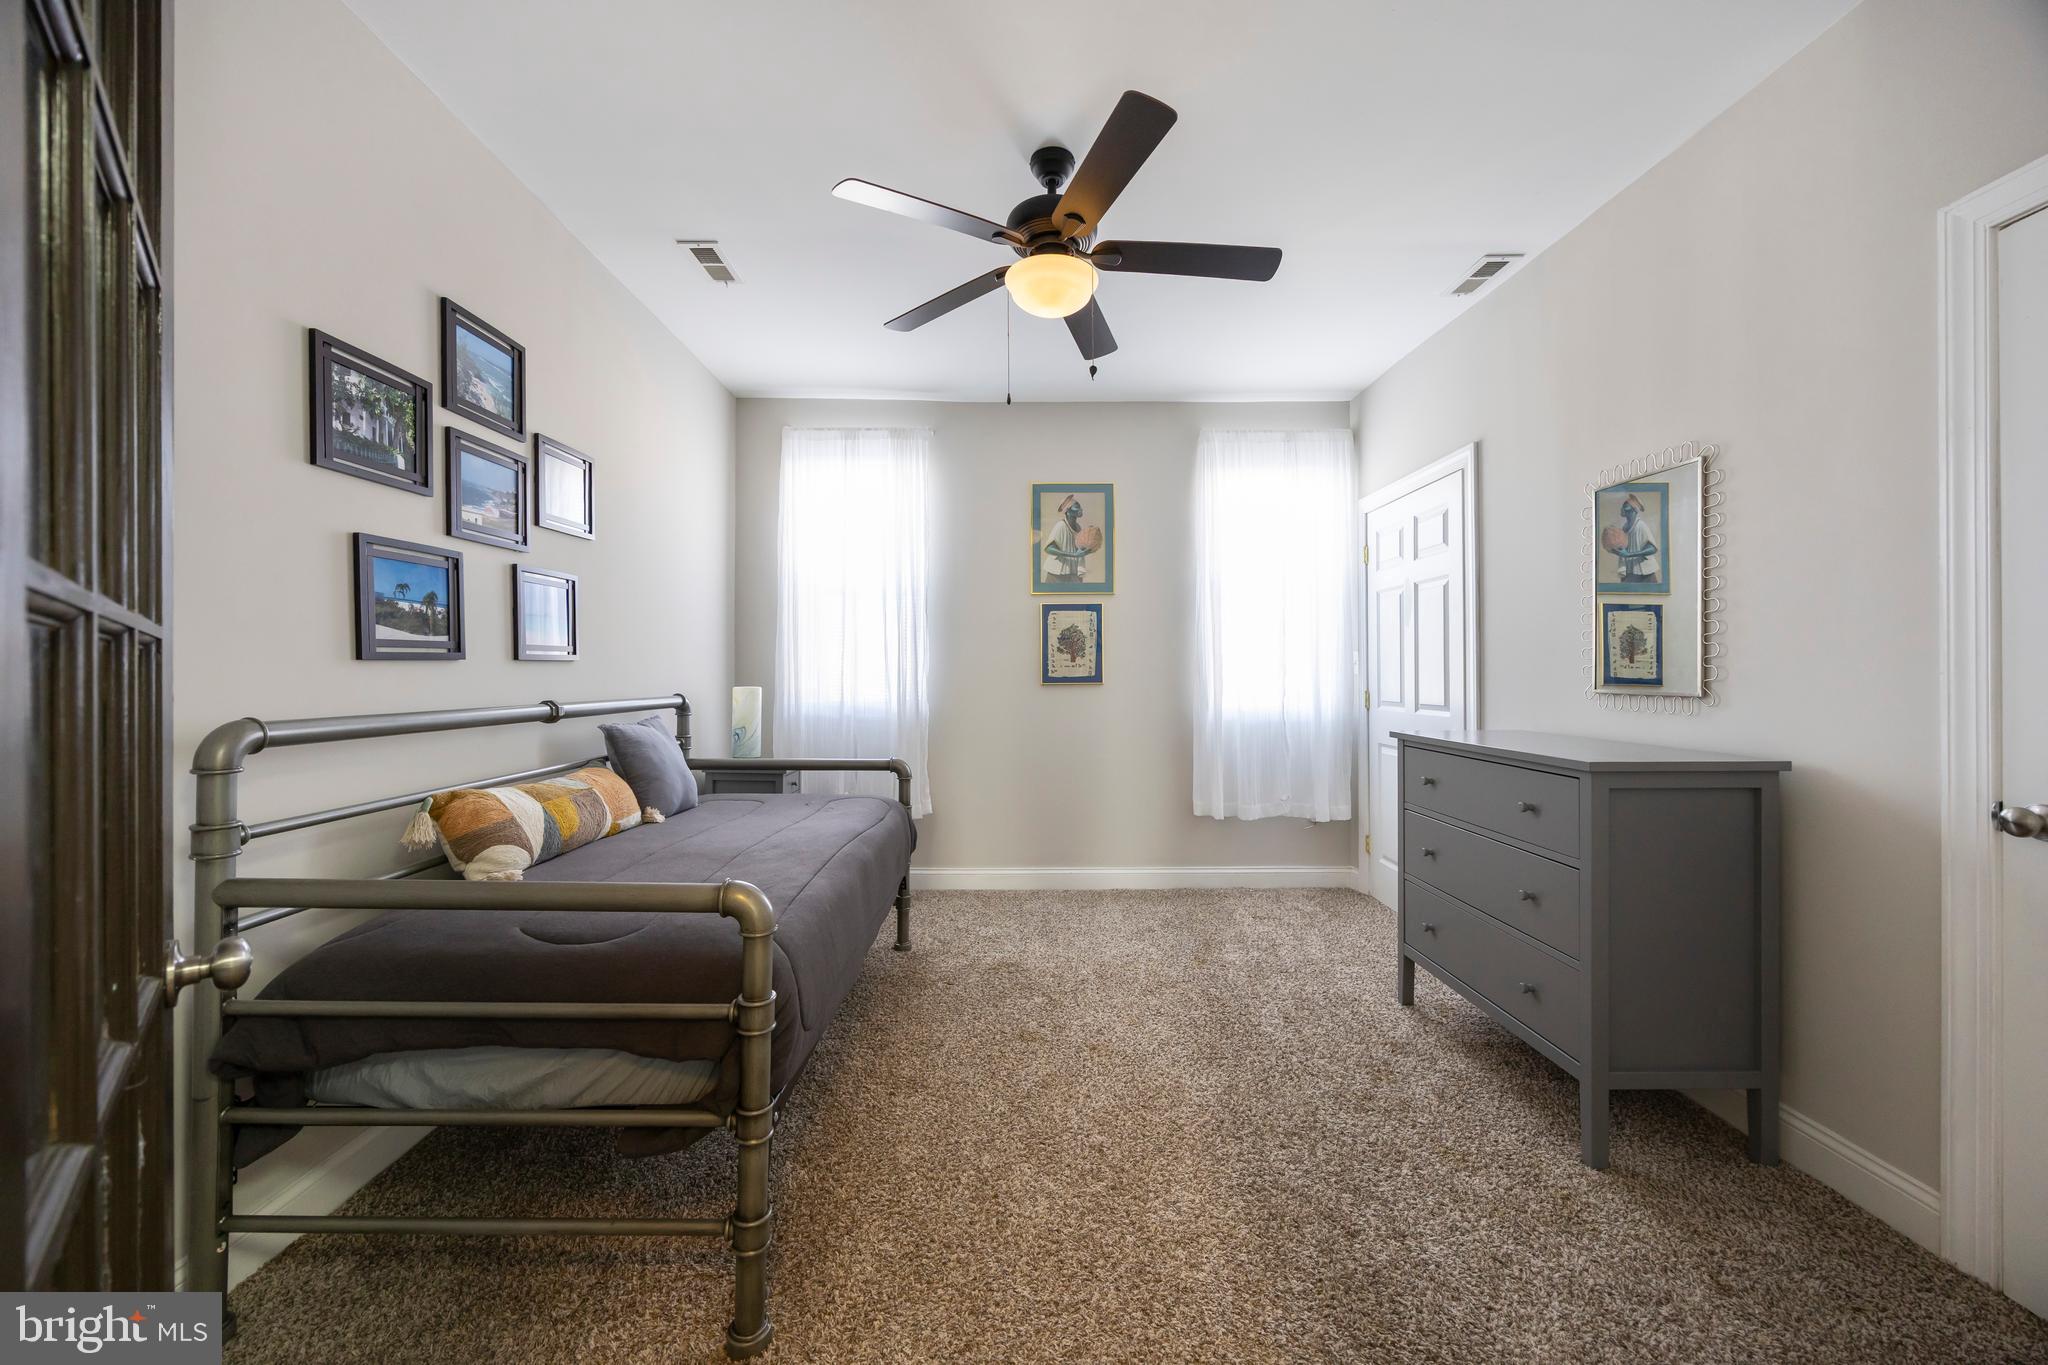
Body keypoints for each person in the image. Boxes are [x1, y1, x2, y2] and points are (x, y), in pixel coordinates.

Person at [1041, 494, 1094, 583]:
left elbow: (1078, 548)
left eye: (1080, 507)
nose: (1080, 509)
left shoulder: (1078, 527)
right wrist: (1073, 555)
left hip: (1073, 572)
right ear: (1068, 511)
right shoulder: (1060, 526)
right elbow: (1048, 549)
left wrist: (1088, 543)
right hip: (1057, 573)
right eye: (1077, 507)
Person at [1611, 492, 1661, 585]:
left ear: (1634, 510)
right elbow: (1624, 547)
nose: (1623, 509)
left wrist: (1629, 554)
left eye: (1626, 507)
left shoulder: (1641, 526)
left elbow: (1652, 548)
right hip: (1629, 571)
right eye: (1623, 507)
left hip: (1644, 572)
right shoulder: (1624, 527)